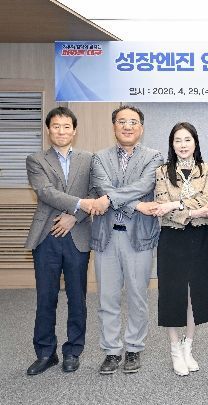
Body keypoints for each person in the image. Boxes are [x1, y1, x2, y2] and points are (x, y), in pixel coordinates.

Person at [24, 107, 104, 375]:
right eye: (56, 126)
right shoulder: (36, 160)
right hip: (46, 236)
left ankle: (73, 351)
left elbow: (95, 192)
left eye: (66, 126)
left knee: (77, 297)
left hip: (77, 235)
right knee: (46, 297)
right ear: (49, 130)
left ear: (74, 130)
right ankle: (45, 353)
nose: (61, 131)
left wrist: (74, 216)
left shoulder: (88, 159)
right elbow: (45, 192)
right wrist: (79, 204)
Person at [90, 105, 163, 374]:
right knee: (107, 298)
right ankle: (111, 351)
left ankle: (133, 348)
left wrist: (111, 199)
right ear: (114, 126)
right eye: (122, 121)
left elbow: (144, 185)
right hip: (107, 237)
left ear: (141, 128)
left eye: (133, 122)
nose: (127, 126)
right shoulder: (99, 158)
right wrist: (136, 205)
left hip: (138, 236)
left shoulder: (154, 157)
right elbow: (103, 187)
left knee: (137, 296)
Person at [153, 122, 208, 376]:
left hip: (199, 237)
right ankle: (174, 349)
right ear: (172, 144)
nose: (183, 145)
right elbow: (161, 205)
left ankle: (188, 346)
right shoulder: (162, 171)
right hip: (172, 237)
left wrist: (176, 205)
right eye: (177, 140)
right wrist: (191, 211)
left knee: (195, 293)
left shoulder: (207, 169)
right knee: (172, 292)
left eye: (187, 139)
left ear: (195, 142)